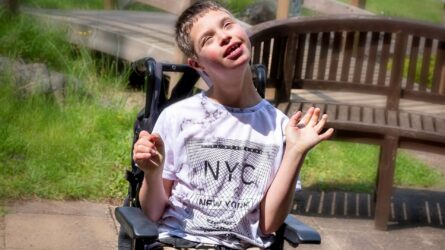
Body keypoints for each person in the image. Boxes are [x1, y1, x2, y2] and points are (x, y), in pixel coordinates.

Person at [133, 1, 334, 249]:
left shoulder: (280, 127)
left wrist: (295, 151)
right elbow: (152, 214)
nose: (225, 36)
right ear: (197, 64)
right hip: (180, 241)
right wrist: (153, 175)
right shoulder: (178, 118)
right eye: (208, 39)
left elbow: (269, 225)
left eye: (228, 25)